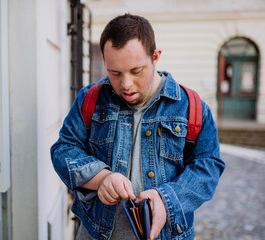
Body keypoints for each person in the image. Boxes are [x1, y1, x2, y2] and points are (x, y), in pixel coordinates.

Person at [51, 14, 225, 240]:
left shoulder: (192, 107)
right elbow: (63, 149)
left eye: (136, 71)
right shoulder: (90, 99)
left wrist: (168, 199)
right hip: (95, 233)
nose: (125, 84)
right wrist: (101, 177)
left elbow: (209, 166)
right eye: (114, 73)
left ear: (155, 57)